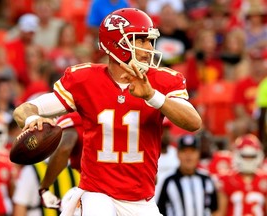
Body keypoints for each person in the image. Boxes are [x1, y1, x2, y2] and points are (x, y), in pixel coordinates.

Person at [13, 8, 202, 216]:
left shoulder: (163, 81)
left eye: (149, 40)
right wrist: (32, 119)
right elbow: (24, 109)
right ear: (117, 44)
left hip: (140, 198)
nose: (149, 47)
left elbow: (193, 122)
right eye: (140, 40)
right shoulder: (85, 80)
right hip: (96, 192)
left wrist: (152, 96)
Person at [157, 134, 218, 216]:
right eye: (184, 151)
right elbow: (160, 210)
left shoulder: (207, 179)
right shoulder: (168, 181)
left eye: (192, 151)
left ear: (198, 154)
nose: (188, 156)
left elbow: (214, 209)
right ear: (177, 154)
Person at [38, 112, 83, 209]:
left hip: (99, 190)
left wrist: (44, 187)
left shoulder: (73, 118)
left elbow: (64, 148)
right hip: (121, 189)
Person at [217, 133, 267, 215]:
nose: (248, 160)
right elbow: (221, 212)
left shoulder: (265, 179)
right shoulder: (226, 179)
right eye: (244, 156)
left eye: (251, 156)